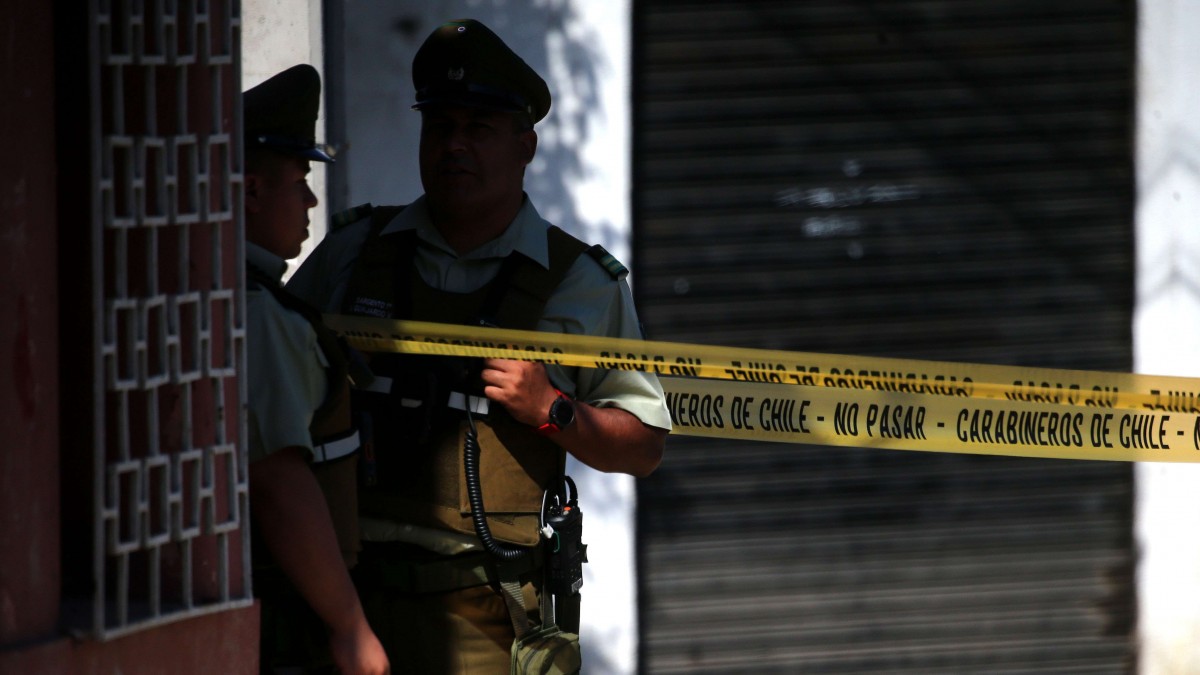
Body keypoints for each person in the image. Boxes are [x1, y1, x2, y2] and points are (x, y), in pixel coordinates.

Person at [286, 18, 671, 674]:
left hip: (490, 626)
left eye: (478, 129)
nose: (454, 146)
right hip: (349, 609)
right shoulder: (353, 255)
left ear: (525, 145)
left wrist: (554, 407)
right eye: (440, 127)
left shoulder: (578, 282)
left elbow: (643, 446)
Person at [242, 63, 390, 675]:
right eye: (299, 180)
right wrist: (350, 628)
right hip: (288, 612)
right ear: (250, 190)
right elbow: (281, 482)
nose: (308, 200)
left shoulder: (220, 292)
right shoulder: (263, 315)